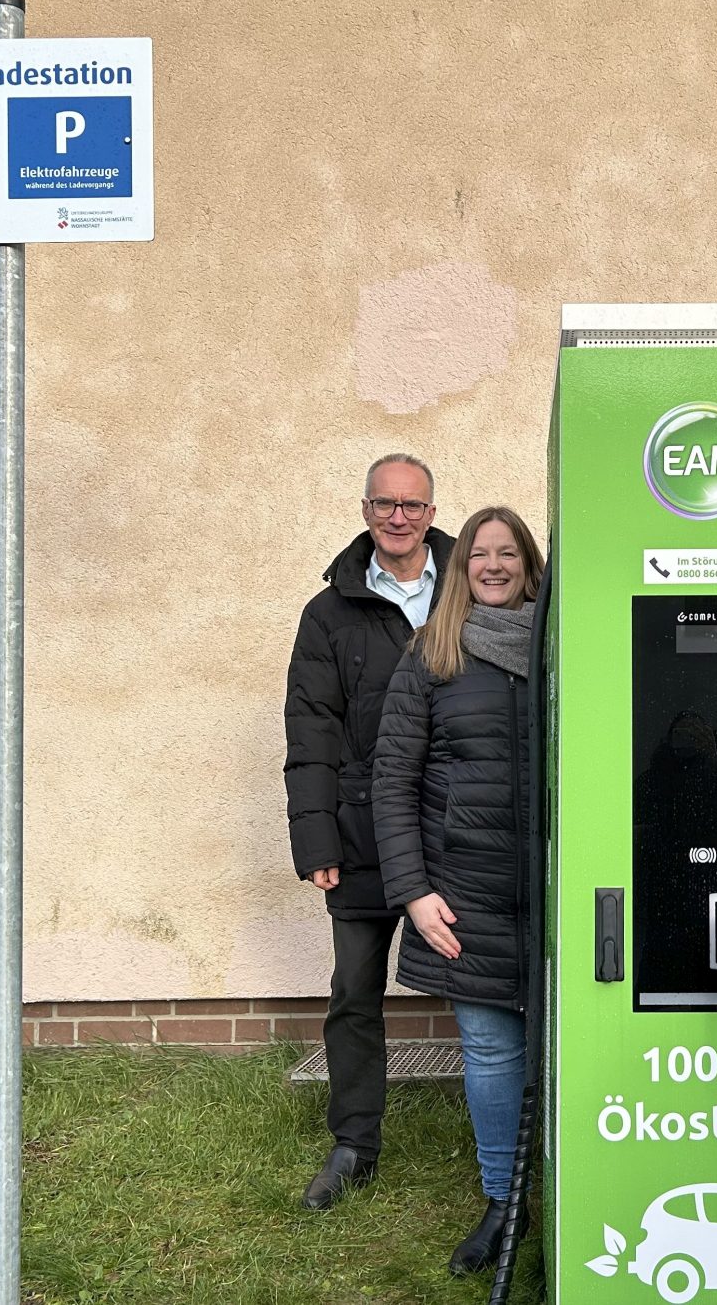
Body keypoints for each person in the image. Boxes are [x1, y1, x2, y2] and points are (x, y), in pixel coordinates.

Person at [371, 505, 542, 1275]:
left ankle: (572, 1190)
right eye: (481, 553)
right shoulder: (430, 656)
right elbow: (392, 783)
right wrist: (413, 891)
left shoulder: (565, 649)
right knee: (490, 1050)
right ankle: (505, 1201)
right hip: (463, 895)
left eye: (509, 553)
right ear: (461, 565)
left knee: (562, 1052)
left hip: (556, 894)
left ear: (530, 565)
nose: (495, 565)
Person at [285, 454, 454, 1211]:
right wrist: (316, 840)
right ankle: (355, 1139)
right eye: (384, 503)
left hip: (456, 826)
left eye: (411, 505)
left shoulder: (473, 591)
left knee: (493, 983)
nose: (398, 516)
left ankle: (515, 1133)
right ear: (364, 511)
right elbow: (311, 727)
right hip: (358, 831)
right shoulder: (330, 613)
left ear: (430, 511)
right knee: (355, 988)